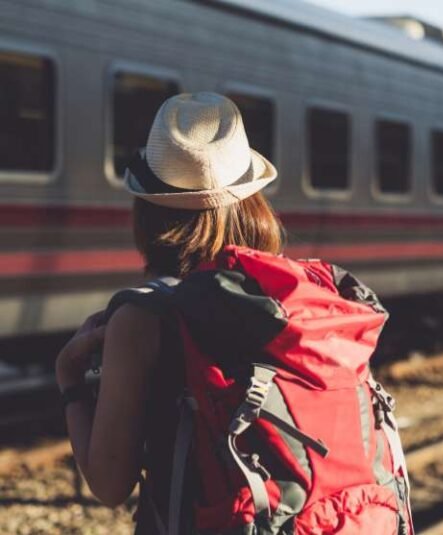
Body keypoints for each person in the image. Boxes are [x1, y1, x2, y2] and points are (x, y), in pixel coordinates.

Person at [55, 92, 412, 534]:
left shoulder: (142, 318)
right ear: (251, 201)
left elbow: (109, 484)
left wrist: (69, 378)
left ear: (146, 210)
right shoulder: (301, 300)